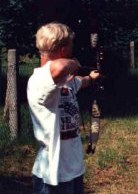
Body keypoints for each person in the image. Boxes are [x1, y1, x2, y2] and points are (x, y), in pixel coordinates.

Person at [27, 22, 101, 194]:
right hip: (52, 176)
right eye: (70, 45)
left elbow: (79, 82)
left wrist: (91, 78)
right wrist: (74, 63)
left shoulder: (65, 80)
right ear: (62, 50)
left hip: (74, 170)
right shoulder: (39, 80)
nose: (72, 49)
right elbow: (60, 67)